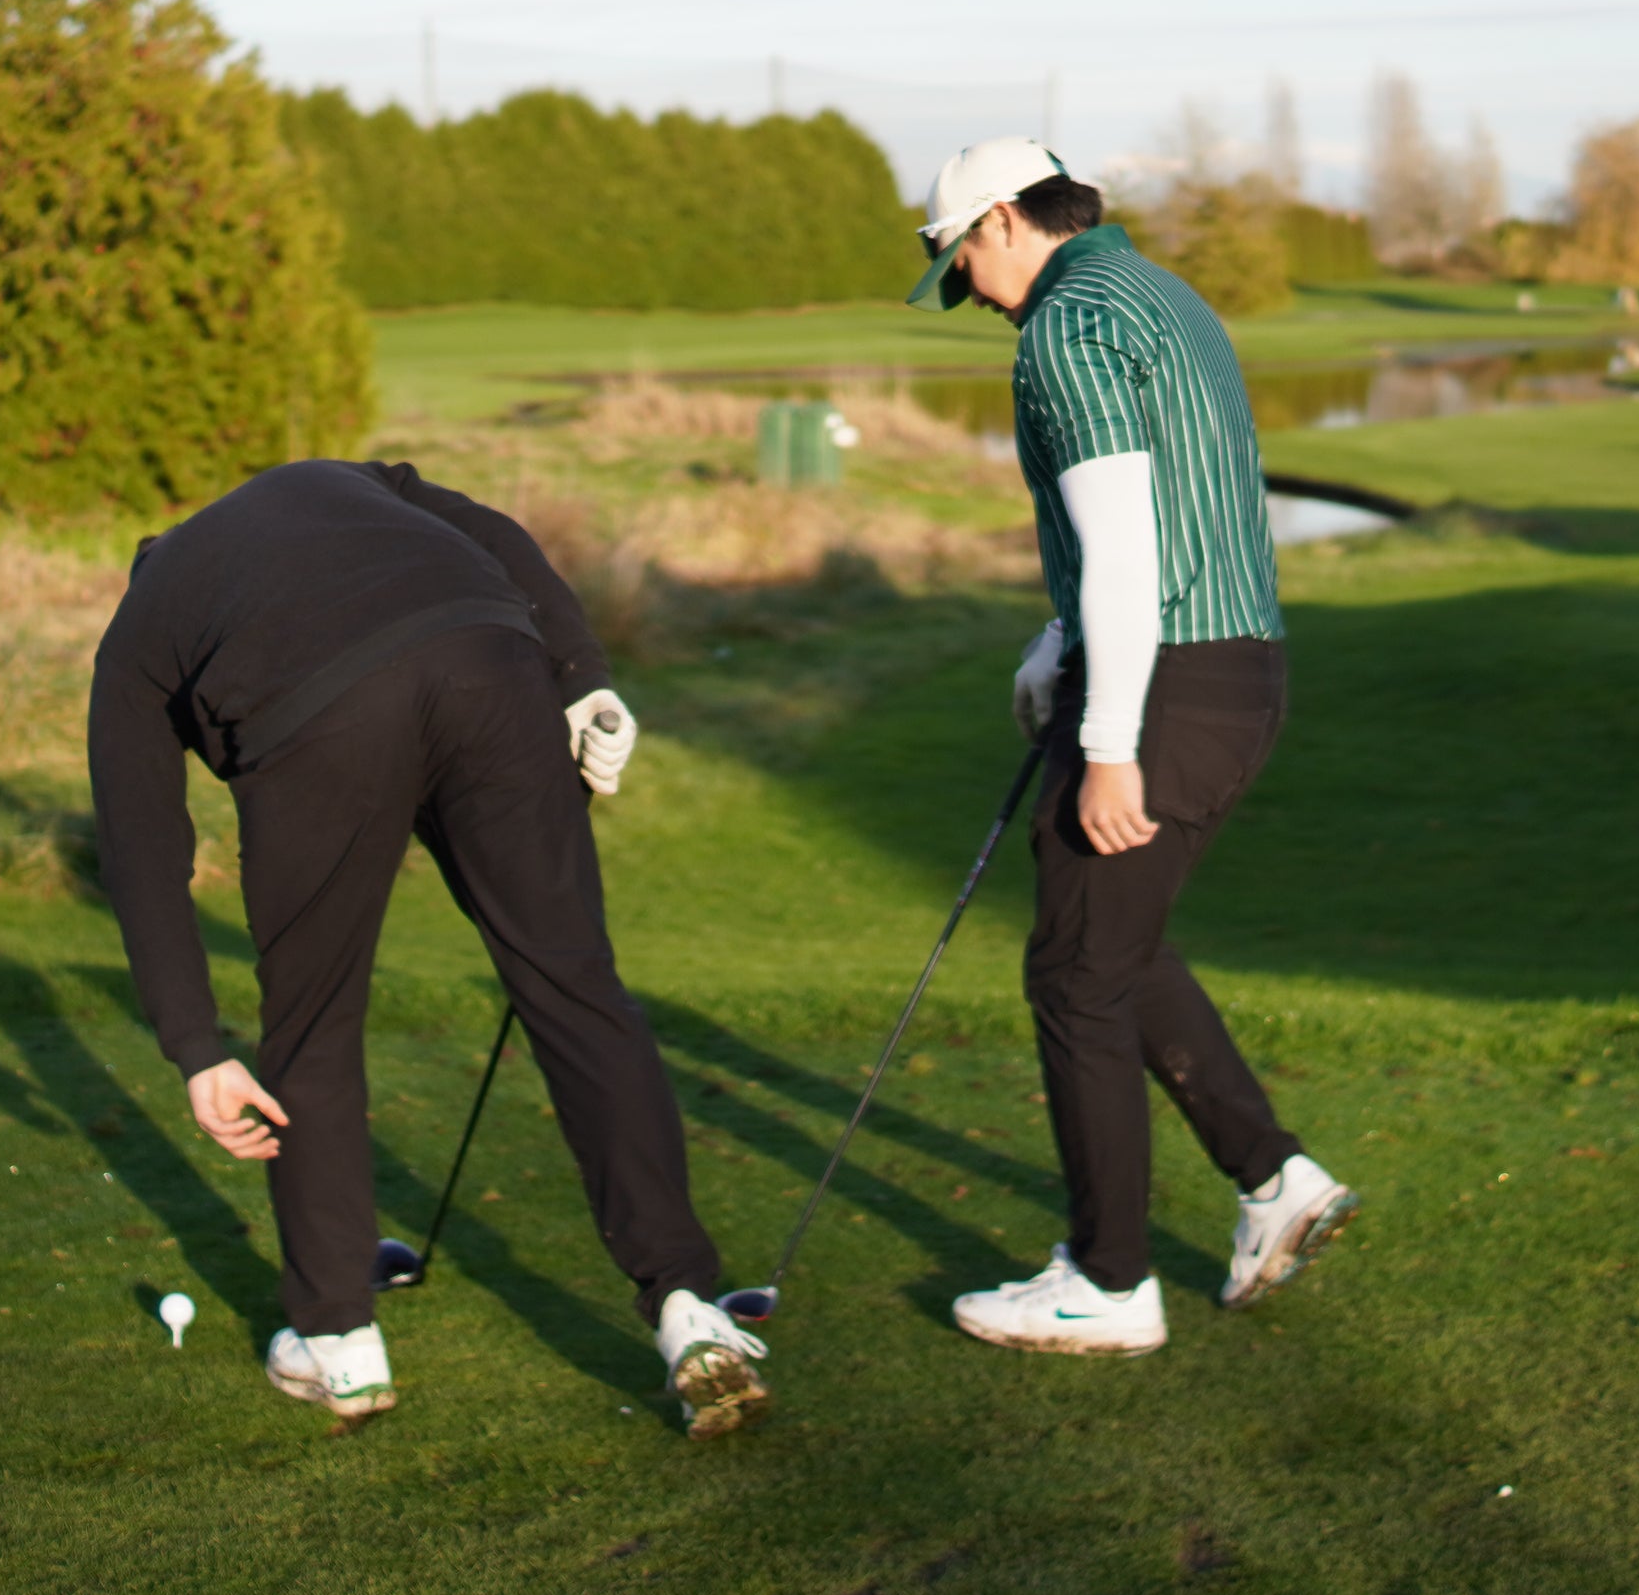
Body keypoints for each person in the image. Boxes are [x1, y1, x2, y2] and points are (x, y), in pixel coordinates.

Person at [86, 458, 771, 1437]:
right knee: (575, 985)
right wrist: (582, 677)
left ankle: (340, 1343)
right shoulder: (334, 478)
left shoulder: (140, 632)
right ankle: (688, 1307)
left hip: (315, 718)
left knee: (313, 1024)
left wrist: (195, 1044)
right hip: (490, 663)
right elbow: (498, 530)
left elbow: (141, 846)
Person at [904, 140, 1360, 1356]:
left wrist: (1108, 740)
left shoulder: (1065, 329)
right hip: (1230, 667)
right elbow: (1151, 514)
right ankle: (1273, 1180)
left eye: (966, 264)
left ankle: (1107, 1282)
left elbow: (1122, 545)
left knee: (1074, 974)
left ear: (1005, 220)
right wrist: (1059, 644)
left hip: (1165, 690)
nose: (974, 296)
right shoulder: (1159, 294)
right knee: (1117, 943)